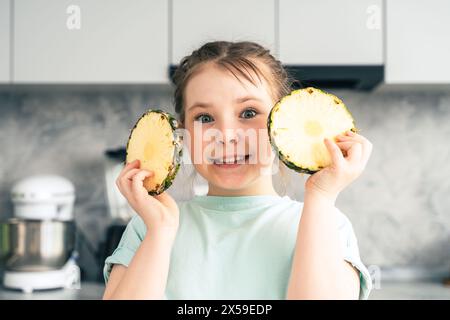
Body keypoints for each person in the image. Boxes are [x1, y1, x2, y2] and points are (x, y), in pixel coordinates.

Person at [102, 41, 373, 300]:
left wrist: (321, 196)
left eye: (248, 112)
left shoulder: (326, 222)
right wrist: (160, 232)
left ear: (282, 122)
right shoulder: (149, 226)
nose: (226, 135)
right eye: (205, 118)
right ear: (182, 134)